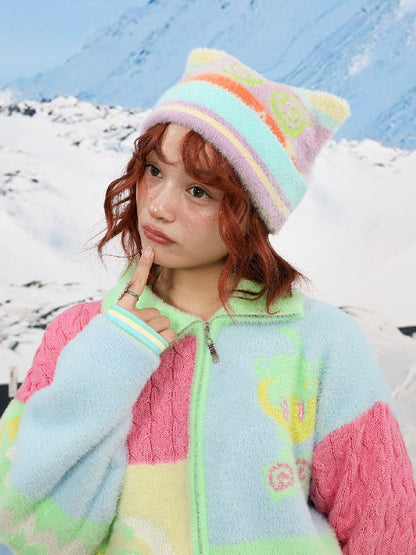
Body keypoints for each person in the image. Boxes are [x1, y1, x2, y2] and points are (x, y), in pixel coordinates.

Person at [0, 48, 415, 554]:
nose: (158, 206)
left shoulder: (324, 344)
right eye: (154, 171)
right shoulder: (81, 336)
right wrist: (111, 358)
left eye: (199, 191)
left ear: (252, 212)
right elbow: (27, 531)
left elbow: (387, 531)